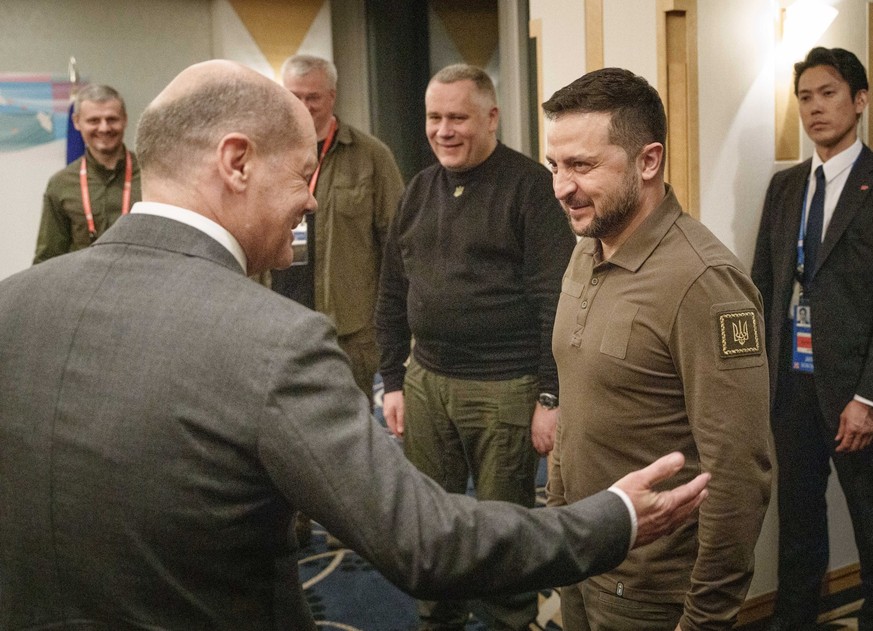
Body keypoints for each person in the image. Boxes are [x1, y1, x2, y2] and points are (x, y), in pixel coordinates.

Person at [0, 59, 711, 631]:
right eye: (300, 174)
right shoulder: (270, 340)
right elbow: (424, 541)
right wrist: (610, 518)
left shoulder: (14, 305)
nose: (310, 201)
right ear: (237, 162)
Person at [542, 67, 772, 631]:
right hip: (582, 556)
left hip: (652, 594)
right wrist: (557, 523)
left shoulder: (704, 282)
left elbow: (740, 473)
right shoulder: (586, 246)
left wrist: (704, 618)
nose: (561, 187)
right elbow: (578, 403)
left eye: (582, 166)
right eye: (555, 165)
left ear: (648, 161)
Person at [375, 63, 576, 630]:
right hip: (426, 382)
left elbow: (553, 299)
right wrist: (393, 379)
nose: (444, 130)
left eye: (457, 117)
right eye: (434, 118)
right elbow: (391, 291)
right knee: (428, 525)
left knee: (500, 532)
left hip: (505, 389)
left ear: (491, 118)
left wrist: (551, 395)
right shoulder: (418, 190)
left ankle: (509, 622)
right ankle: (438, 619)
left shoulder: (531, 189)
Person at [752, 47, 873, 631]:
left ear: (860, 100)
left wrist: (868, 397)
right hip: (791, 385)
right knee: (797, 525)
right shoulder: (786, 187)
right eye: (804, 97)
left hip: (855, 394)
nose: (815, 108)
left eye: (828, 93)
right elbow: (761, 286)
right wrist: (755, 379)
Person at [274, 54, 405, 548]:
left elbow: (396, 245)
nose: (303, 106)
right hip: (279, 318)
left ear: (332, 97)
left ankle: (353, 523)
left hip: (349, 325)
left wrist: (392, 323)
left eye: (313, 97)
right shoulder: (267, 153)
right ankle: (295, 519)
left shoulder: (371, 156)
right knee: (284, 431)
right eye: (294, 96)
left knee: (350, 433)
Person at [33, 83, 141, 263]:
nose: (104, 128)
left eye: (112, 119)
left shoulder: (152, 174)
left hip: (140, 284)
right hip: (82, 288)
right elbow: (48, 257)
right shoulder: (61, 183)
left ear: (125, 119)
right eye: (94, 120)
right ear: (76, 122)